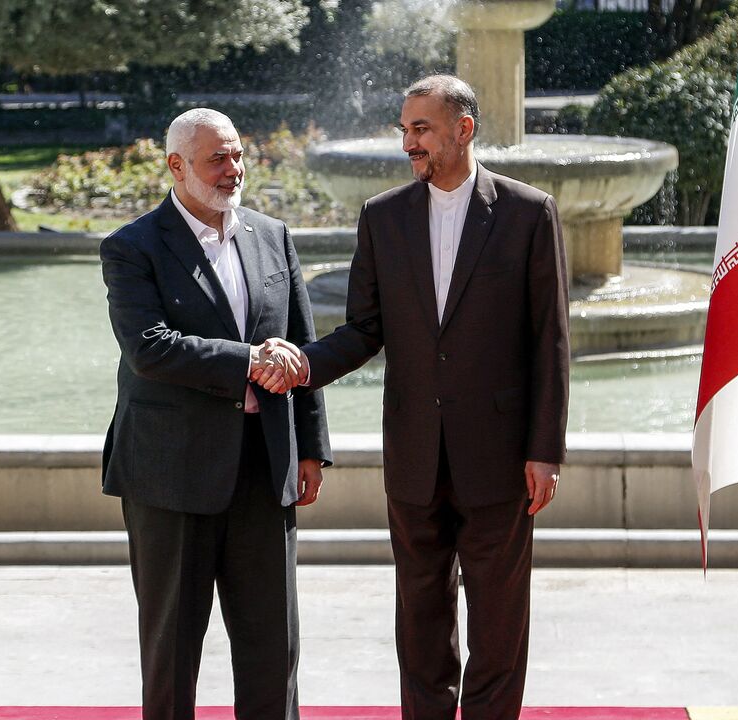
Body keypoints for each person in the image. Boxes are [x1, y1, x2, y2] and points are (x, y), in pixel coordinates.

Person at [255, 75, 569, 719]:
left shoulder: (528, 212)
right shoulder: (382, 217)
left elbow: (550, 341)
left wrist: (545, 451)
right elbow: (365, 330)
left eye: (421, 128)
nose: (409, 143)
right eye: (404, 129)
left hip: (502, 460)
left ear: (464, 128)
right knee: (419, 623)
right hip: (414, 458)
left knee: (499, 624)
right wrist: (301, 366)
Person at [99, 107, 331, 720]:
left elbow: (301, 348)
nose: (234, 170)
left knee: (273, 648)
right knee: (172, 652)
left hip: (264, 468)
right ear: (176, 167)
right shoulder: (131, 248)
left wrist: (310, 448)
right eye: (217, 159)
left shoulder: (272, 235)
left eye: (237, 156)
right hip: (169, 478)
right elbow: (149, 347)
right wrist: (249, 360)